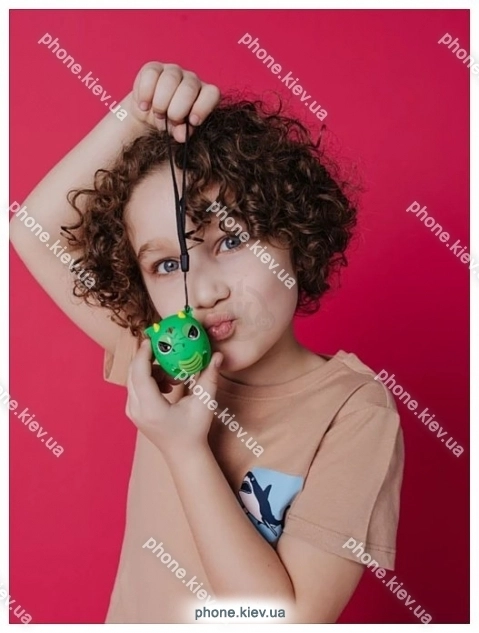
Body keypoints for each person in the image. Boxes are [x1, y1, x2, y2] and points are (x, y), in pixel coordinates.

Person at [9, 61, 404, 624]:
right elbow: (33, 232)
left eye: (232, 240)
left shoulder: (355, 411)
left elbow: (288, 620)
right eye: (168, 264)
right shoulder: (163, 357)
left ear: (295, 234)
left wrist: (185, 449)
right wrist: (140, 115)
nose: (203, 291)